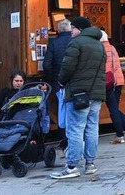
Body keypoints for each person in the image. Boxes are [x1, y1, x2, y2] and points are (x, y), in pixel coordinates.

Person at [51, 16, 105, 180]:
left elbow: (67, 68)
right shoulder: (99, 45)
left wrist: (60, 81)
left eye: (73, 28)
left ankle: (72, 166)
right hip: (96, 94)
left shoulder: (76, 43)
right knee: (92, 128)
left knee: (75, 129)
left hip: (78, 95)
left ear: (80, 29)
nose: (70, 31)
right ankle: (90, 164)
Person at [100, 30, 125, 144]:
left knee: (113, 109)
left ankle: (119, 135)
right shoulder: (113, 48)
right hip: (119, 81)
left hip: (110, 82)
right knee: (114, 108)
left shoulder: (100, 50)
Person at [43, 19, 72, 152]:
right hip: (75, 83)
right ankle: (74, 139)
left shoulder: (53, 44)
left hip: (59, 83)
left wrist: (52, 80)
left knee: (62, 111)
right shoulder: (75, 41)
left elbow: (46, 65)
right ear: (70, 29)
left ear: (58, 31)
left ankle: (64, 139)